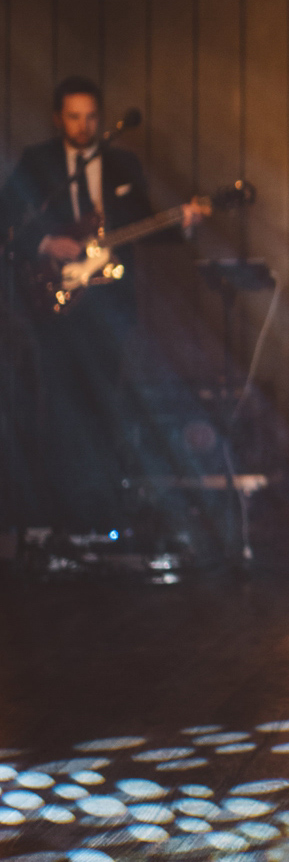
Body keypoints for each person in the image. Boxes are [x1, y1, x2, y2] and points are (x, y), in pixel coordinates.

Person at [0, 77, 202, 529]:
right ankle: (62, 514)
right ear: (58, 119)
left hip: (109, 301)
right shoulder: (39, 162)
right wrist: (47, 243)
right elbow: (8, 216)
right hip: (51, 298)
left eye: (91, 116)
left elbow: (146, 222)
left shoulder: (123, 163)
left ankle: (103, 512)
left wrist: (183, 223)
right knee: (58, 403)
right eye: (74, 116)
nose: (84, 125)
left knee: (106, 401)